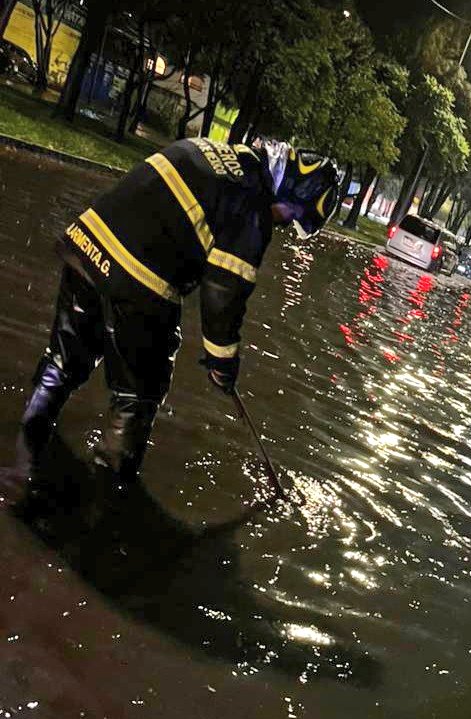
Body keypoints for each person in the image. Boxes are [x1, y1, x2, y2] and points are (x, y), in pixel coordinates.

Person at [11, 137, 340, 488]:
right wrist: (223, 364)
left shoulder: (217, 152)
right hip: (138, 279)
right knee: (140, 393)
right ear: (290, 191)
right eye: (292, 216)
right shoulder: (252, 205)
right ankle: (109, 490)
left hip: (86, 247)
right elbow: (223, 294)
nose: (283, 224)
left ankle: (21, 457)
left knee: (63, 362)